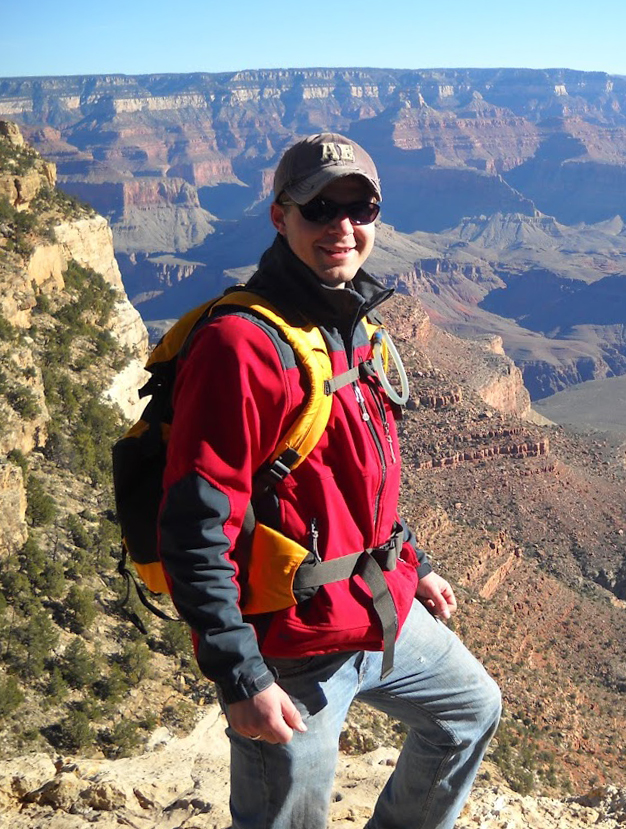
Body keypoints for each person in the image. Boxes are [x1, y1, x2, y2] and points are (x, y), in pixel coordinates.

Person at [157, 132, 501, 829]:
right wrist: (240, 675)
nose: (342, 227)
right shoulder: (243, 345)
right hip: (293, 649)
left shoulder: (350, 319)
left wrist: (410, 560)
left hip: (378, 603)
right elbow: (195, 524)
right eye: (319, 209)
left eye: (360, 207)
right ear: (281, 216)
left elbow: (354, 476)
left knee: (471, 709)